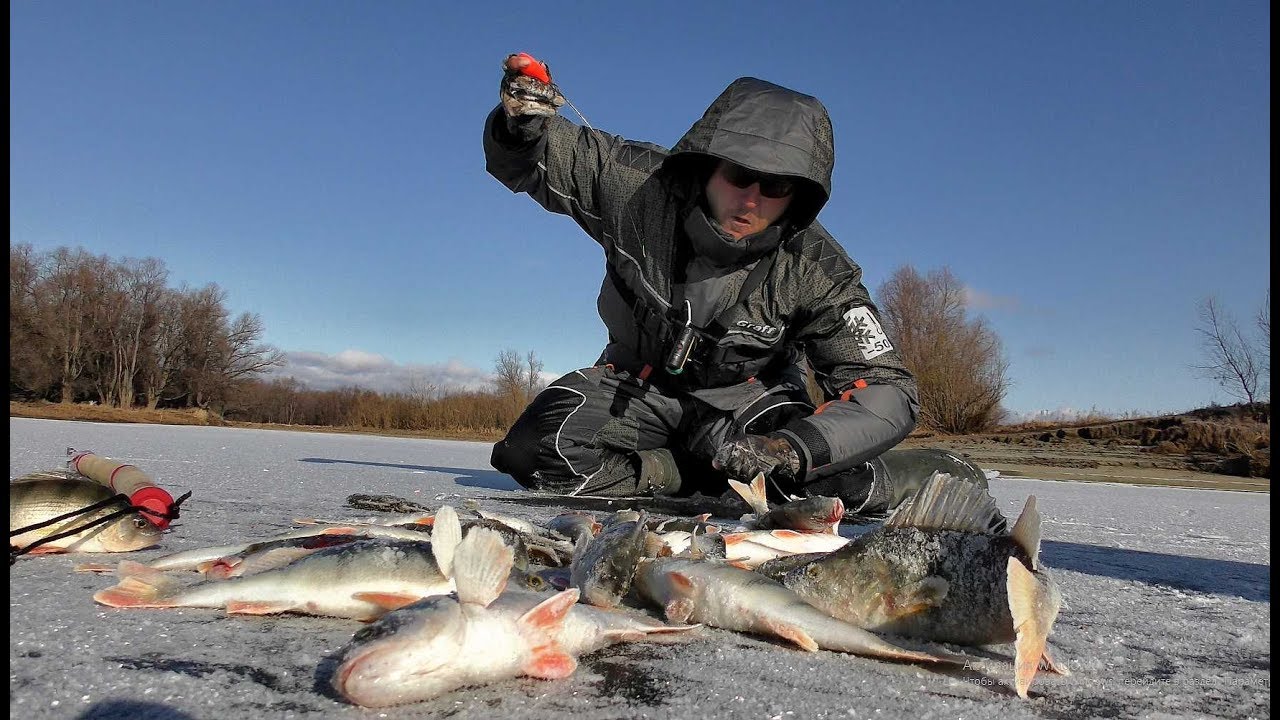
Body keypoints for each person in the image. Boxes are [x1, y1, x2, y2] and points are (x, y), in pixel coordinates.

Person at [483, 53, 988, 515]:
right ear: (707, 167)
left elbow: (887, 390)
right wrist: (522, 123)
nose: (751, 199)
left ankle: (916, 476)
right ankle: (683, 472)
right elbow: (531, 158)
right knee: (534, 455)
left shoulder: (818, 269)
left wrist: (790, 449)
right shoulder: (637, 187)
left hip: (748, 409)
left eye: (776, 187)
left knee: (794, 488)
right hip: (638, 390)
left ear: (799, 197)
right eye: (739, 176)